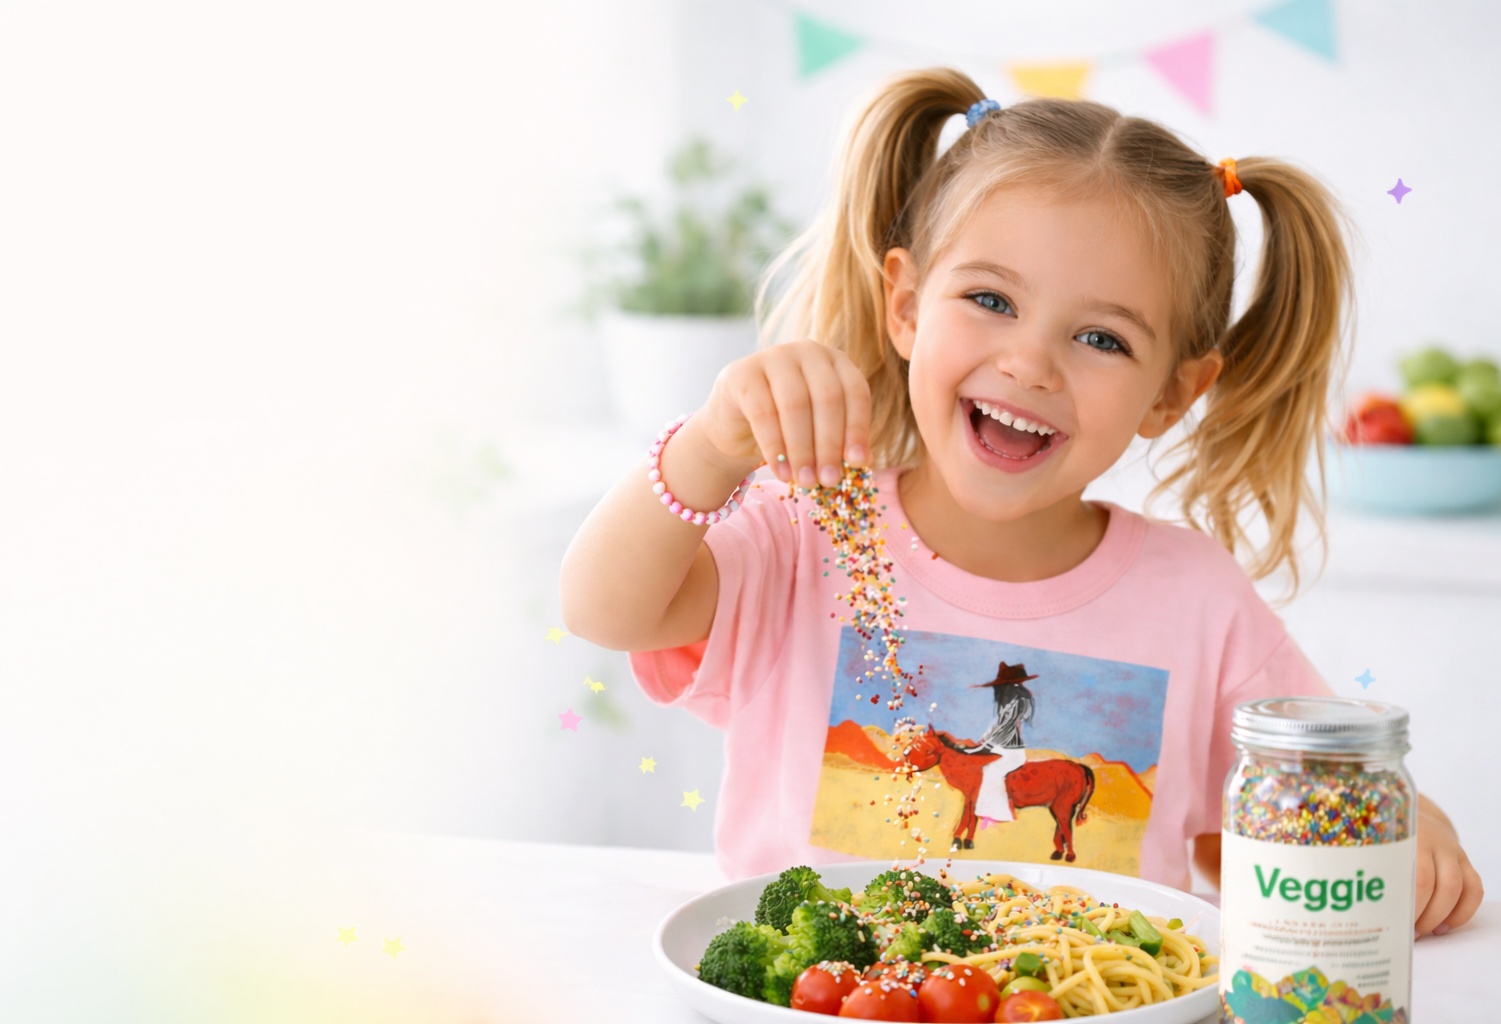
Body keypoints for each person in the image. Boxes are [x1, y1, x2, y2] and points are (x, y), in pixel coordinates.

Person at [560, 69, 1483, 935]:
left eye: (1100, 337)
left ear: (1172, 393)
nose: (1029, 362)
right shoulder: (807, 531)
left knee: (999, 779)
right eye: (991, 300)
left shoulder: (1197, 600)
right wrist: (711, 448)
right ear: (909, 305)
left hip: (1092, 998)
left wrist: (1398, 815)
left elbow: (1299, 806)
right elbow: (604, 610)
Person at [948, 662, 1038, 825]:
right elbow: (993, 729)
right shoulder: (1003, 710)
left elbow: (1001, 732)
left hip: (1009, 751)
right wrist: (978, 745)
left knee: (991, 771)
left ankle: (999, 815)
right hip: (999, 748)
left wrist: (981, 748)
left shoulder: (1015, 706)